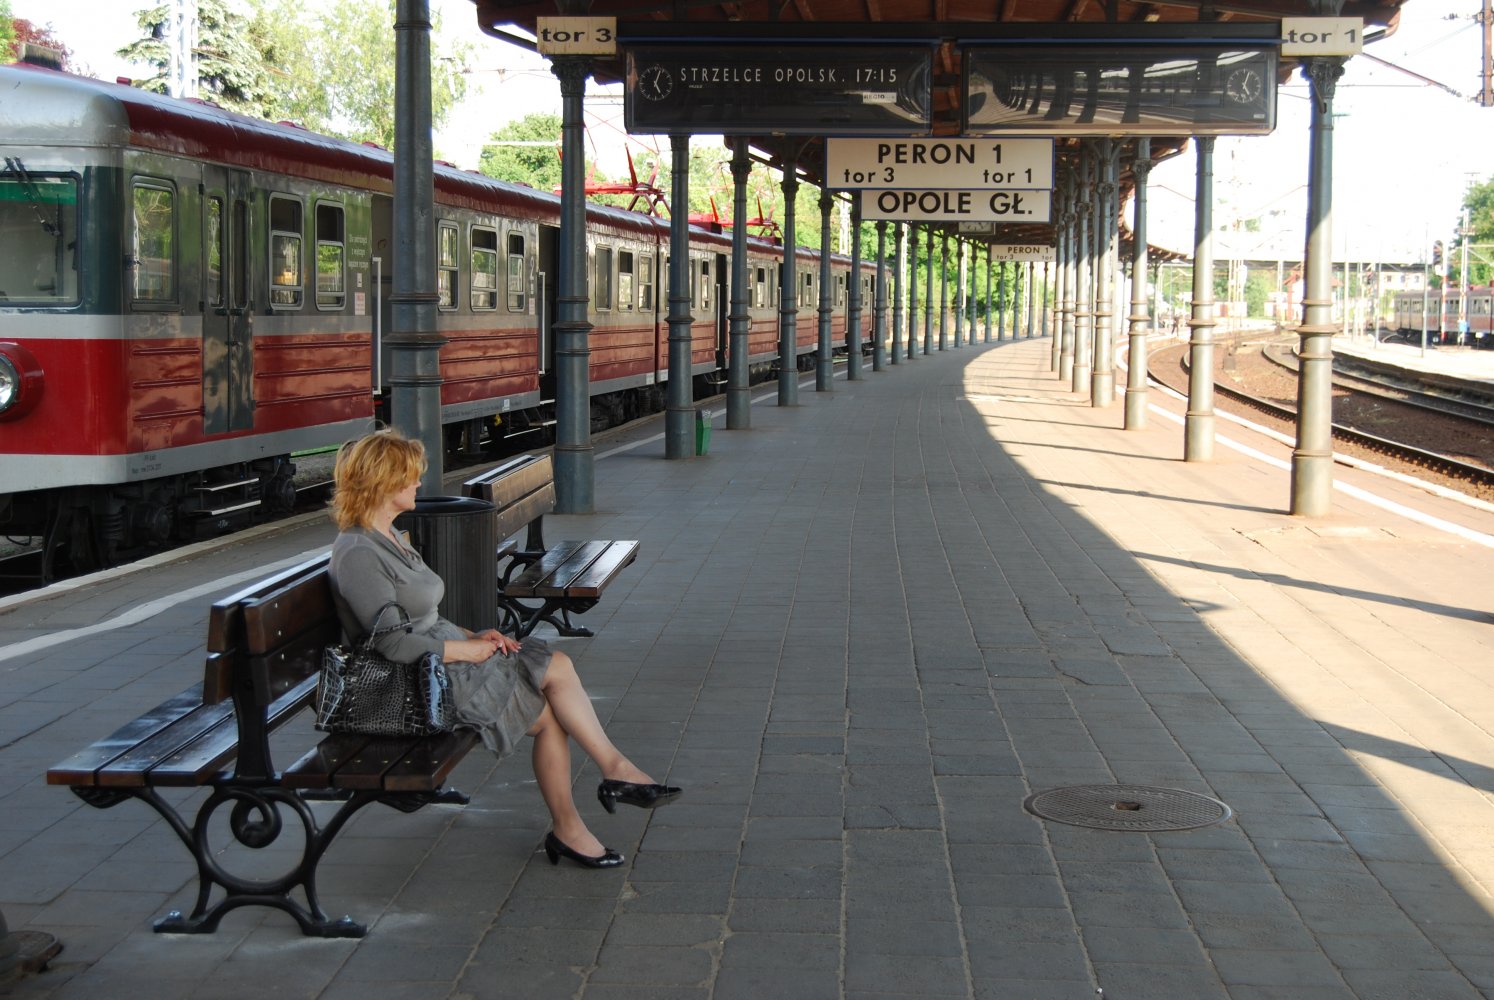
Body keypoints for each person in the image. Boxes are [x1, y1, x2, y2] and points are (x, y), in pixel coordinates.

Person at [326, 430, 680, 869]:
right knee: (556, 680)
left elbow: (427, 619)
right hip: (413, 685)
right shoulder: (358, 552)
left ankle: (595, 798)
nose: (419, 484)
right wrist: (464, 652)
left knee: (553, 707)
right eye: (411, 477)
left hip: (437, 664)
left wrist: (473, 635)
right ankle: (606, 785)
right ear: (384, 482)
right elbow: (393, 642)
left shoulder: (392, 538)